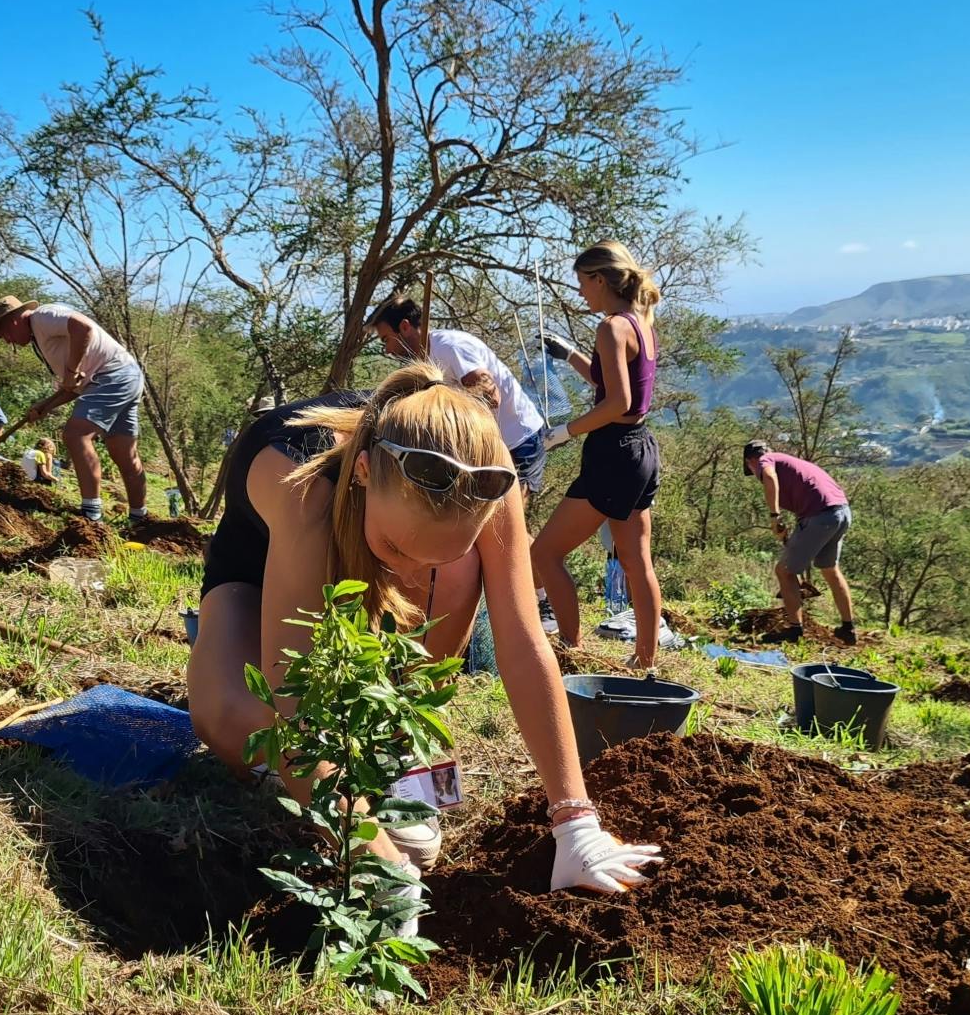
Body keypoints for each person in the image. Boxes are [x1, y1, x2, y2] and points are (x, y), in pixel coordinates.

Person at [188, 360, 662, 905]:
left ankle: (397, 743)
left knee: (417, 847)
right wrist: (372, 858)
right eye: (397, 549)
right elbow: (295, 703)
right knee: (229, 718)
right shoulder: (301, 484)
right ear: (364, 472)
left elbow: (524, 643)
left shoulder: (491, 478)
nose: (410, 574)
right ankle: (321, 783)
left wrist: (575, 820)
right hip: (259, 573)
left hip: (398, 533)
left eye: (434, 556)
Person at [529, 241, 667, 671]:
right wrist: (566, 351)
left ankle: (569, 650)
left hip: (613, 453)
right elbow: (604, 380)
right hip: (641, 451)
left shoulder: (611, 328)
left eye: (582, 284)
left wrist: (562, 433)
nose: (581, 294)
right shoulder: (640, 322)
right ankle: (645, 659)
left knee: (543, 555)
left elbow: (617, 402)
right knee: (636, 559)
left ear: (599, 279)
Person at [0, 295, 148, 524]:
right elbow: (74, 386)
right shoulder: (41, 339)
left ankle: (91, 515)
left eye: (4, 334)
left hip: (112, 376)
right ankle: (139, 519)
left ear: (14, 321)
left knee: (75, 435)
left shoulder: (42, 316)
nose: (7, 341)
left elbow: (84, 327)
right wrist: (45, 406)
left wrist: (71, 370)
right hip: (124, 376)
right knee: (123, 454)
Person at [369, 300, 549, 494]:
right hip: (488, 448)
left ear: (404, 327)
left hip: (519, 439)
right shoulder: (423, 363)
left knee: (510, 513)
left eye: (386, 339)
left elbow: (490, 395)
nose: (387, 350)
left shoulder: (450, 347)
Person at [745, 444, 858, 645]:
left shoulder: (766, 460)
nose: (756, 475)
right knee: (830, 569)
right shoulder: (792, 462)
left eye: (751, 471)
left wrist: (774, 517)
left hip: (820, 517)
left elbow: (770, 478)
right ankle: (847, 628)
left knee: (784, 571)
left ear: (751, 461)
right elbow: (810, 494)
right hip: (841, 513)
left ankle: (794, 631)